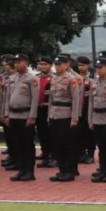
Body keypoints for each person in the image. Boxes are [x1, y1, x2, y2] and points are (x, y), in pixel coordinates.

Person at [47, 54, 83, 182]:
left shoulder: (71, 79)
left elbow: (76, 100)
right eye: (56, 64)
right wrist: (49, 115)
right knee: (57, 145)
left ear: (67, 65)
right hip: (54, 114)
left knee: (67, 145)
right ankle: (61, 170)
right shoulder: (54, 79)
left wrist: (74, 118)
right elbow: (51, 99)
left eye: (60, 64)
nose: (57, 67)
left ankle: (69, 171)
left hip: (66, 115)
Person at [6, 54, 38, 181]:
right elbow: (8, 97)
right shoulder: (12, 78)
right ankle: (21, 170)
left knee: (27, 145)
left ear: (26, 63)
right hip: (13, 115)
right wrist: (7, 114)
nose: (16, 64)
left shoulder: (32, 78)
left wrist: (32, 116)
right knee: (17, 144)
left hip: (25, 115)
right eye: (15, 62)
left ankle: (29, 171)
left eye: (19, 62)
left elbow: (35, 99)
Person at [34, 56, 54, 167]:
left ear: (50, 65)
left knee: (52, 133)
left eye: (45, 64)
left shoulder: (55, 78)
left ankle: (53, 156)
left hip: (50, 109)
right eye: (41, 64)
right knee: (42, 133)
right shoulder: (36, 78)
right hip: (39, 109)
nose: (42, 66)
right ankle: (45, 155)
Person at [76, 56, 95, 164]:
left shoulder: (93, 78)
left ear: (87, 66)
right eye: (79, 65)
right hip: (79, 108)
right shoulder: (75, 77)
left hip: (88, 108)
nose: (80, 67)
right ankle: (81, 153)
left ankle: (90, 154)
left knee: (89, 132)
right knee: (79, 131)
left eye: (82, 65)